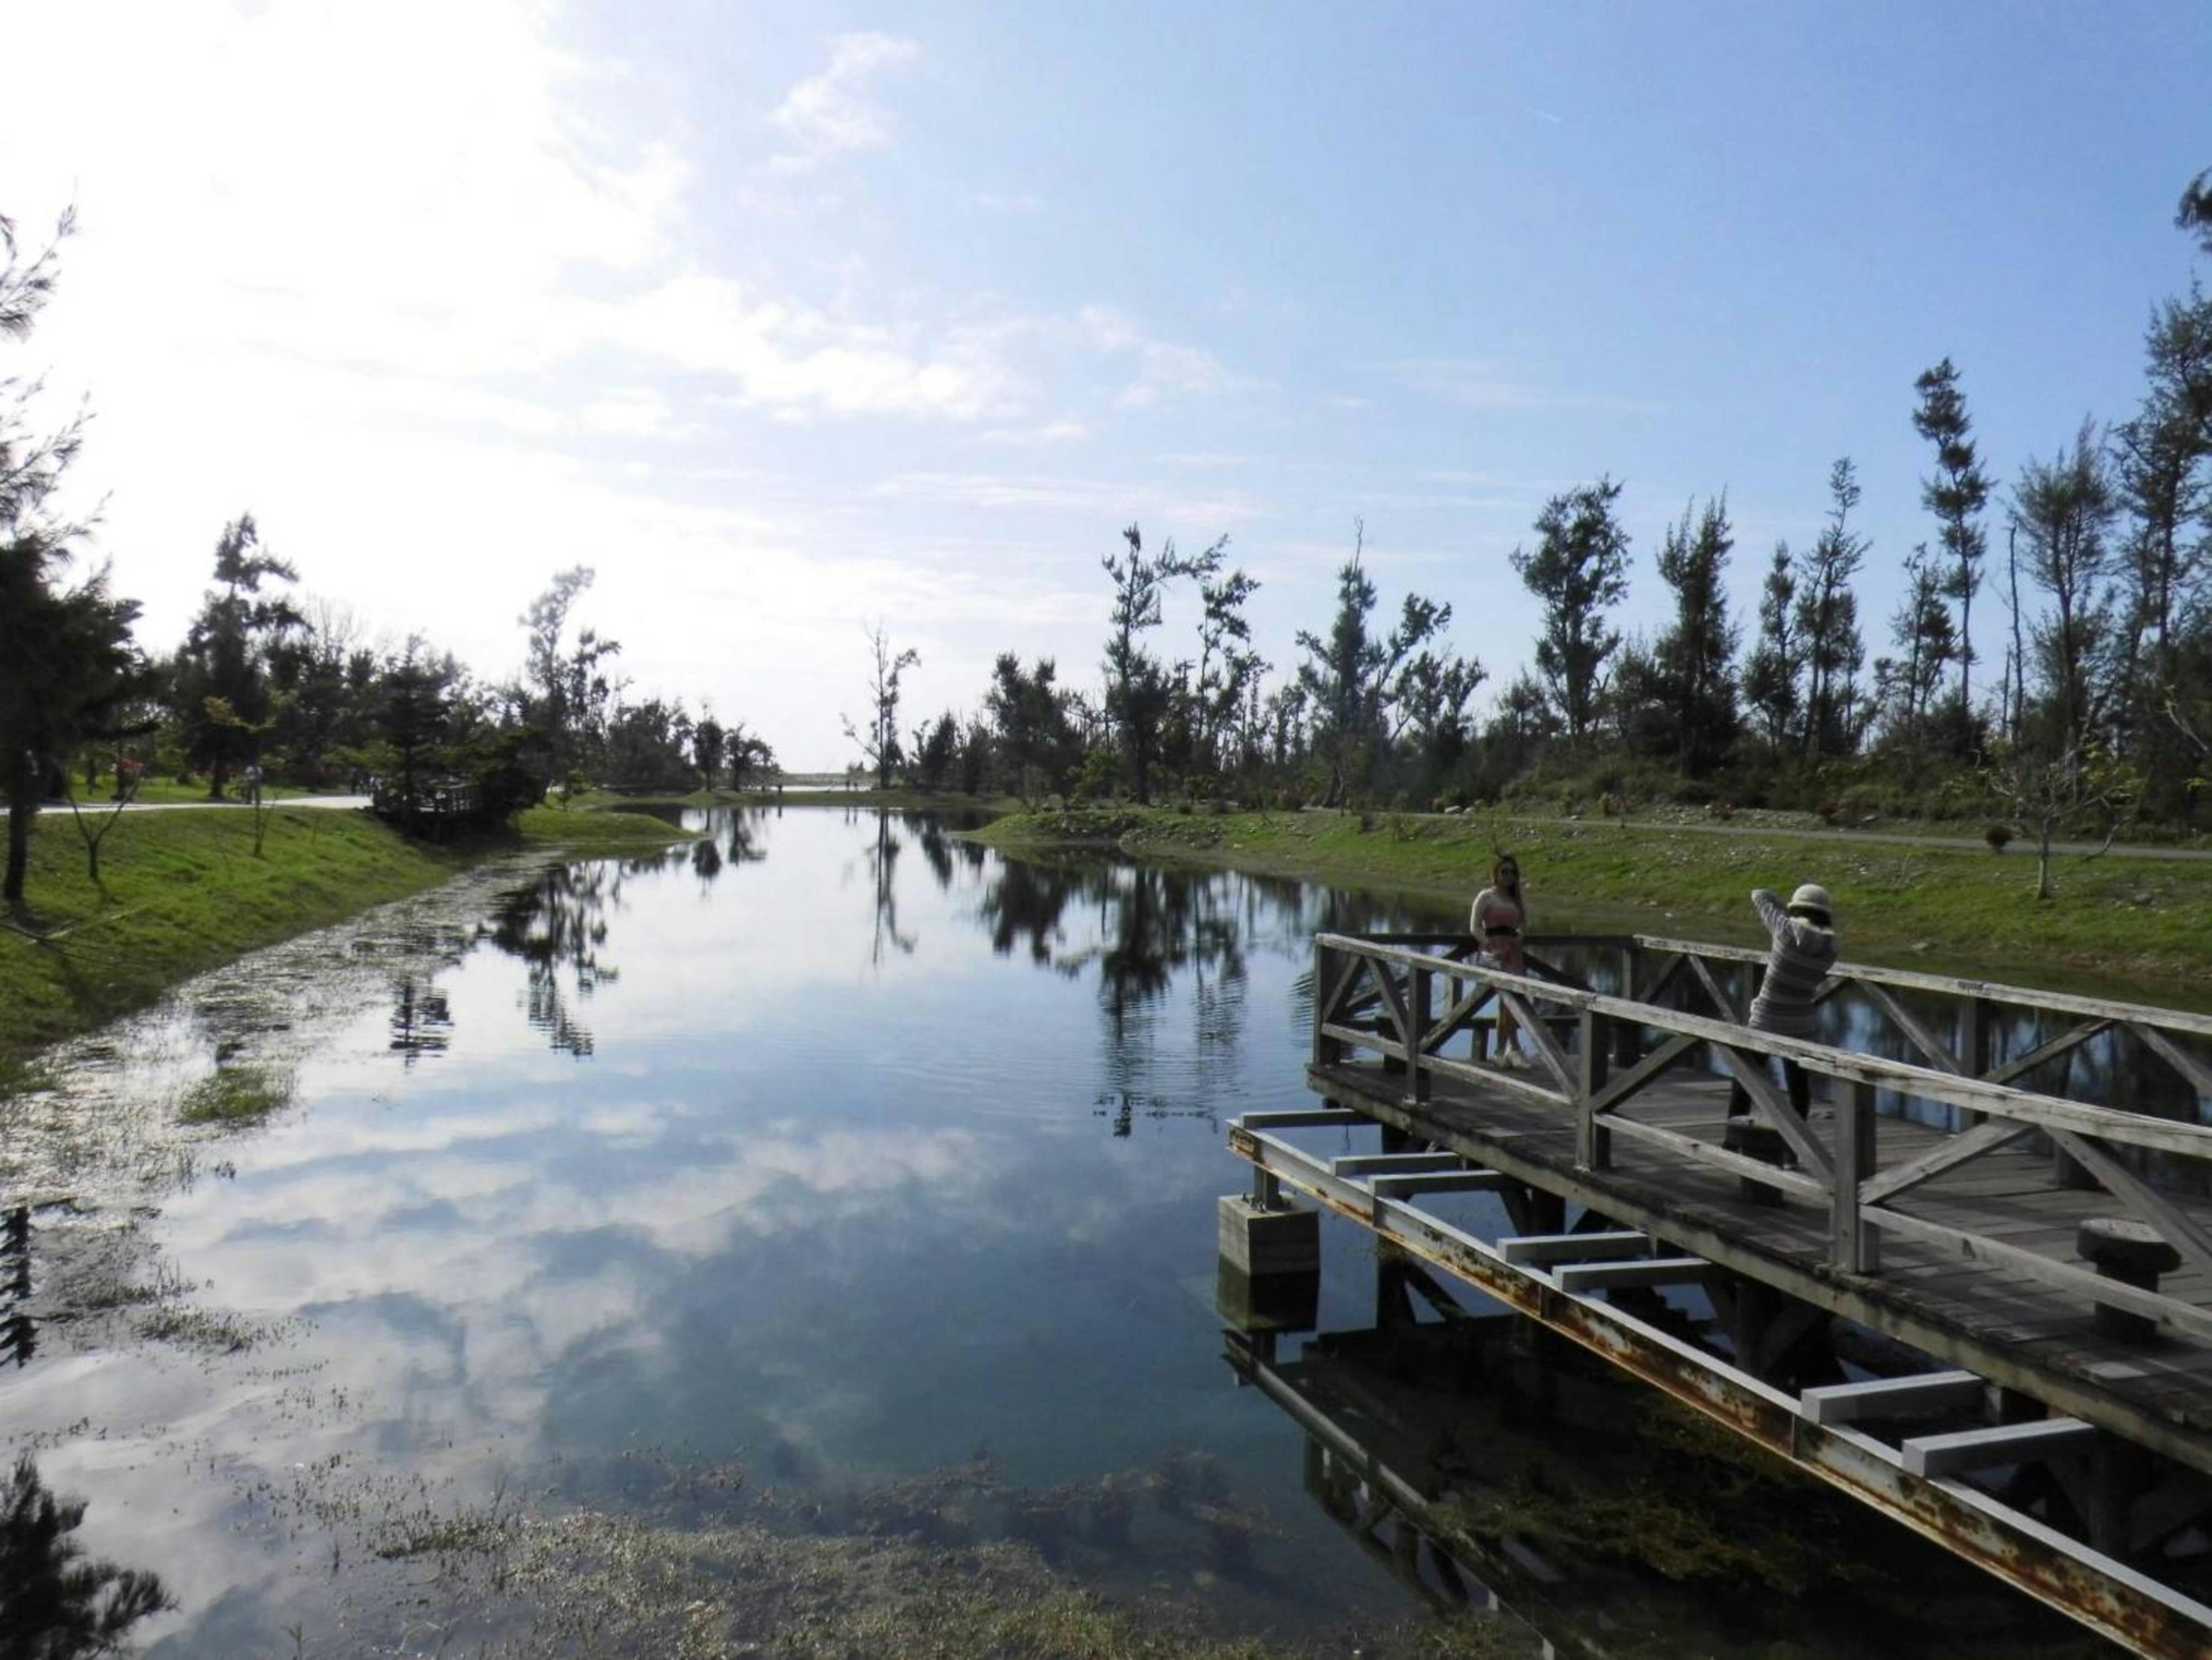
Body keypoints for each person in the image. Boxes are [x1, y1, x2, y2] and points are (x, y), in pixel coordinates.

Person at [1729, 883, 1838, 1118]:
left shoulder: (1785, 930)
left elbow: (1759, 894)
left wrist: (1786, 908)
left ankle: (1732, 1138)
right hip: (1801, 1022)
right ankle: (1798, 1147)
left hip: (1766, 1018)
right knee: (1799, 1086)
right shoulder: (1832, 947)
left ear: (1798, 909)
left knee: (1747, 1080)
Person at [1470, 854, 1530, 1068]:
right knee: (1506, 1001)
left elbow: (1523, 925)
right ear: (1495, 873)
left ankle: (1504, 1050)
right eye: (1504, 872)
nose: (1508, 876)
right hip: (1494, 954)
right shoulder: (1486, 896)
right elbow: (1475, 927)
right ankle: (1512, 1050)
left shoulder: (1516, 900)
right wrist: (1489, 946)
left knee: (1510, 1003)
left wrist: (1519, 937)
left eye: (1513, 873)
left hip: (1513, 953)